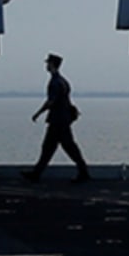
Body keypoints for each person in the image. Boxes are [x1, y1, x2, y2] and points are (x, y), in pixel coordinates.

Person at [23, 53, 90, 183]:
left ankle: (83, 173)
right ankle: (36, 173)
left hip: (57, 120)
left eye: (48, 63)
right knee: (52, 147)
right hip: (63, 119)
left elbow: (51, 102)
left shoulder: (55, 82)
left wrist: (38, 113)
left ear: (52, 64)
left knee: (63, 147)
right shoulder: (63, 81)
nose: (46, 65)